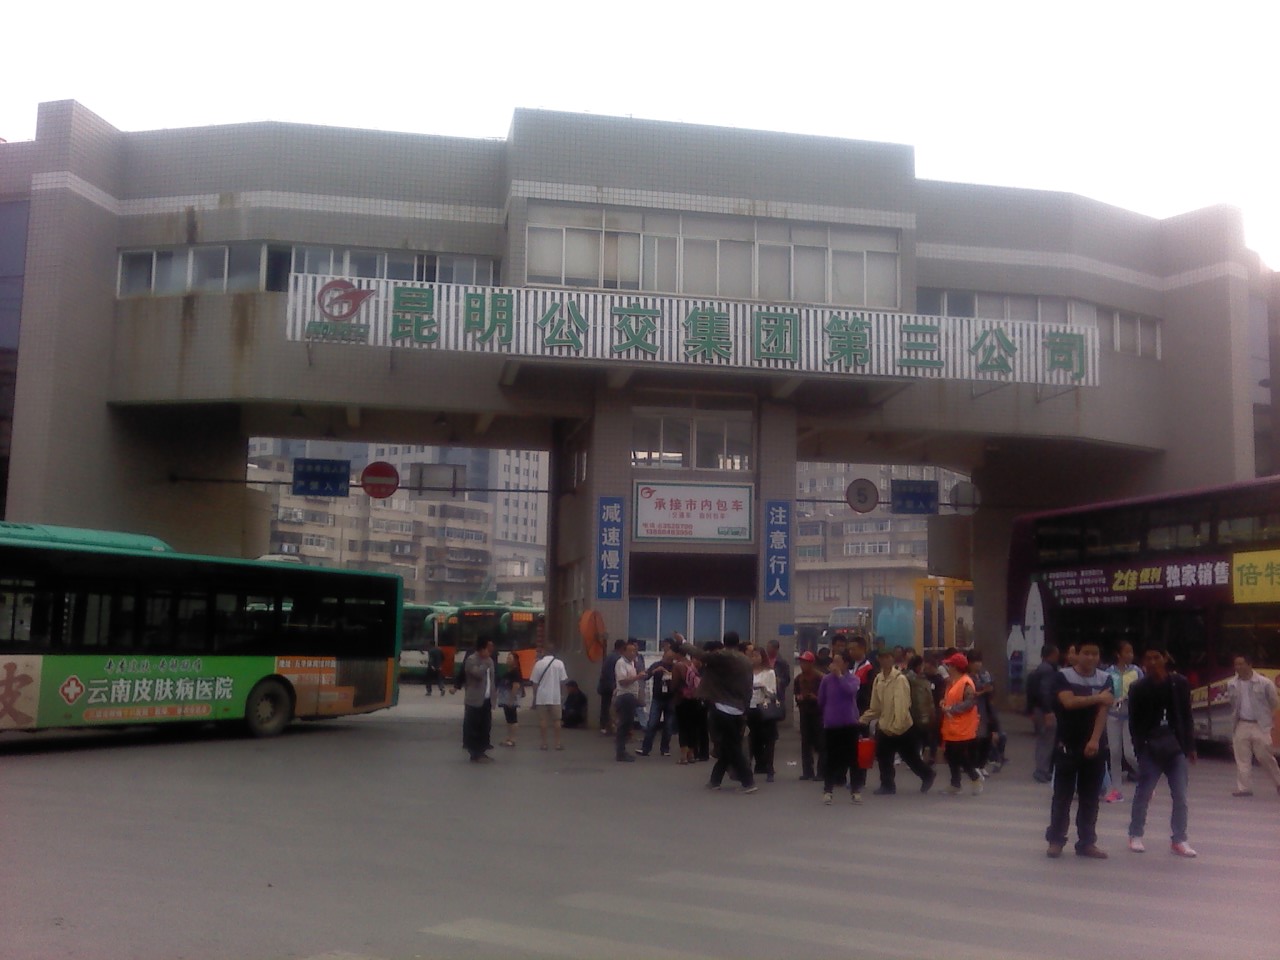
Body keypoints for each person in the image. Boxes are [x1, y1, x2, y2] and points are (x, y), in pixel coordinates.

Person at [1044, 639, 1112, 859]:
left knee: (1090, 798)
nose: (1091, 658)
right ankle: (1056, 840)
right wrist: (1097, 697)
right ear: (1076, 654)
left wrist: (1094, 740)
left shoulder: (1105, 678)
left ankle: (1086, 843)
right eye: (1086, 653)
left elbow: (1103, 710)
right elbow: (1069, 703)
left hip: (1094, 746)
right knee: (1062, 796)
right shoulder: (1063, 676)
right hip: (1067, 744)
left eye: (1095, 654)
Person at [1127, 645, 1198, 857]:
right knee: (1144, 793)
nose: (1152, 662)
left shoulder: (1179, 683)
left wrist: (1190, 746)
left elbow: (1186, 716)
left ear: (1165, 658)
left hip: (1175, 747)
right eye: (1148, 658)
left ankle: (1179, 839)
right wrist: (1140, 749)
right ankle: (1136, 833)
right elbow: (1134, 722)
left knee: (1181, 795)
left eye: (1156, 657)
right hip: (1151, 747)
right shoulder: (1138, 687)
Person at [682, 631, 756, 794]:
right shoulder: (745, 661)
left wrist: (683, 642)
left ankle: (748, 781)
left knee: (731, 747)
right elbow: (749, 688)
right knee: (728, 746)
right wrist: (745, 708)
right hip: (738, 708)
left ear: (724, 642)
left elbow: (700, 654)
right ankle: (715, 780)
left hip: (723, 707)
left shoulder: (724, 656)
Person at [862, 648, 935, 794]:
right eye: (882, 657)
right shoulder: (879, 679)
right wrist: (864, 718)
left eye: (888, 657)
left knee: (910, 757)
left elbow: (902, 704)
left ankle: (927, 774)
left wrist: (897, 726)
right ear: (879, 659)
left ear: (892, 659)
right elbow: (876, 706)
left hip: (902, 727)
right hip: (885, 725)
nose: (885, 660)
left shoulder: (900, 679)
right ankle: (888, 785)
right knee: (883, 756)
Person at [1225, 653, 1280, 798]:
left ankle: (1278, 782)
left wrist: (1269, 719)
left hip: (1260, 725)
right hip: (1241, 724)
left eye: (1241, 664)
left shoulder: (1264, 683)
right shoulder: (1232, 684)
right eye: (1236, 664)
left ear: (1249, 665)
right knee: (1242, 758)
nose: (1238, 667)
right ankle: (1244, 788)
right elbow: (1232, 704)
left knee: (1265, 756)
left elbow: (1274, 702)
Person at [818, 651, 862, 805]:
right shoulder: (826, 680)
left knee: (852, 758)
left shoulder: (853, 679)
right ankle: (828, 790)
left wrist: (840, 677)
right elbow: (821, 700)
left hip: (849, 723)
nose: (834, 665)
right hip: (832, 724)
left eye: (838, 661)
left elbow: (850, 692)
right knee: (831, 758)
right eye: (833, 661)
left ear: (846, 664)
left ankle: (855, 790)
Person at [940, 652, 983, 796]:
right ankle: (955, 783)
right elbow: (951, 698)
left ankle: (974, 777)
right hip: (952, 726)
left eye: (950, 665)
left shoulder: (966, 683)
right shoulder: (953, 682)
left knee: (959, 755)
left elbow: (970, 703)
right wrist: (944, 703)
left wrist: (952, 709)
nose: (947, 667)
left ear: (955, 667)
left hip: (963, 727)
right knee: (951, 754)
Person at [1104, 640, 1142, 800]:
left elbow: (1143, 692)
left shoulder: (1137, 672)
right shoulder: (1108, 672)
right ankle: (1116, 790)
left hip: (1130, 716)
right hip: (1112, 715)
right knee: (1114, 752)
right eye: (1126, 652)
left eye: (1131, 652)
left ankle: (1147, 779)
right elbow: (1105, 691)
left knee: (1130, 753)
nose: (1130, 655)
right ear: (1118, 654)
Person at [1025, 644, 1059, 783]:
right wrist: (1048, 711)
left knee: (1042, 740)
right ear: (1051, 655)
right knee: (1047, 741)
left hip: (1038, 709)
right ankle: (1042, 771)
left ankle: (1042, 770)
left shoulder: (1038, 670)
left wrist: (1030, 709)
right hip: (1045, 711)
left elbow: (1030, 690)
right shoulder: (1048, 670)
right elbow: (1045, 691)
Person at [969, 650, 1006, 773]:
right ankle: (974, 765)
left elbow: (992, 690)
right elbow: (971, 694)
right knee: (976, 738)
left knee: (987, 737)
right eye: (975, 662)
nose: (978, 664)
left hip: (987, 709)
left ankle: (982, 764)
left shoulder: (984, 674)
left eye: (979, 661)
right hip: (974, 709)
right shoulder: (967, 677)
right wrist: (983, 690)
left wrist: (990, 689)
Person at [746, 647, 779, 782]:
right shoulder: (747, 672)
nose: (754, 658)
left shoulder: (769, 672)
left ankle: (769, 768)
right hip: (751, 707)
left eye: (757, 655)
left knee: (769, 740)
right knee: (752, 739)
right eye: (752, 656)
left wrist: (762, 688)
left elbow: (773, 692)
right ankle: (750, 768)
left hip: (765, 709)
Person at [638, 645, 677, 757]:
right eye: (668, 658)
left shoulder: (674, 667)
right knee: (652, 724)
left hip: (670, 698)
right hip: (658, 698)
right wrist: (654, 671)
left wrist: (670, 674)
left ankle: (665, 748)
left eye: (671, 659)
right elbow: (645, 677)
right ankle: (646, 748)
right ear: (663, 657)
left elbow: (679, 680)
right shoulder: (656, 665)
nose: (669, 661)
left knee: (668, 726)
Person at [461, 638, 496, 763]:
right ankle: (474, 752)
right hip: (474, 699)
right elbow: (477, 674)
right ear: (482, 649)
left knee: (485, 726)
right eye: (488, 647)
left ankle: (482, 750)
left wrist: (493, 697)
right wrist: (485, 663)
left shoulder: (490, 660)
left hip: (486, 699)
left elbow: (492, 680)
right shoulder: (471, 660)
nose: (491, 650)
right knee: (473, 726)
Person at [529, 643, 569, 750]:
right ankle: (557, 743)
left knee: (543, 720)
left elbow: (535, 682)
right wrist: (561, 694)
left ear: (545, 651)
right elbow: (562, 681)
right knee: (557, 720)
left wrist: (534, 696)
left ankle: (544, 743)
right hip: (555, 696)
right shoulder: (560, 664)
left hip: (541, 696)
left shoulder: (538, 664)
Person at [793, 651, 823, 781]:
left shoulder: (820, 677)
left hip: (818, 713)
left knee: (820, 742)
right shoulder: (798, 678)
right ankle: (807, 771)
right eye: (801, 662)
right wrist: (799, 697)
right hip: (804, 712)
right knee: (805, 742)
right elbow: (796, 693)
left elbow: (825, 696)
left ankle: (821, 772)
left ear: (811, 663)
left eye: (805, 662)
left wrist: (815, 697)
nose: (802, 665)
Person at [612, 640, 642, 762]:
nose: (633, 653)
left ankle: (623, 750)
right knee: (624, 725)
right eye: (630, 651)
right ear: (624, 651)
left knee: (628, 725)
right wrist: (637, 677)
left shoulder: (632, 663)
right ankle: (620, 752)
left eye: (634, 651)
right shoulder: (621, 663)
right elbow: (622, 681)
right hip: (625, 697)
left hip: (631, 697)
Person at [597, 638, 626, 736]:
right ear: (622, 648)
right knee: (611, 707)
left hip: (604, 685)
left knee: (605, 706)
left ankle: (604, 726)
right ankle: (610, 726)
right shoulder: (617, 658)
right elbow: (612, 674)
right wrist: (614, 687)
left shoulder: (609, 656)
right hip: (611, 686)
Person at [496, 651, 524, 747]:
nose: (508, 660)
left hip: (510, 699)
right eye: (507, 658)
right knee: (508, 719)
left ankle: (513, 739)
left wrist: (511, 699)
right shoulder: (508, 671)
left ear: (515, 661)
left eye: (510, 658)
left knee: (512, 719)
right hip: (506, 698)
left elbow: (516, 686)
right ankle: (509, 738)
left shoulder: (515, 672)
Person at [766, 639, 791, 721]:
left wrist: (780, 681)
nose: (768, 650)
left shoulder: (782, 663)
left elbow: (787, 679)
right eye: (767, 647)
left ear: (776, 649)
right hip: (765, 691)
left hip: (777, 692)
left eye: (770, 648)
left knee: (775, 715)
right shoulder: (764, 660)